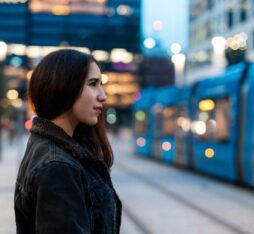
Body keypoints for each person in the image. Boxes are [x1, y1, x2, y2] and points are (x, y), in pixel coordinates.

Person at [14, 49, 122, 234]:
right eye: (93, 84)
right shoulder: (57, 166)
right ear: (64, 87)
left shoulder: (48, 148)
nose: (102, 96)